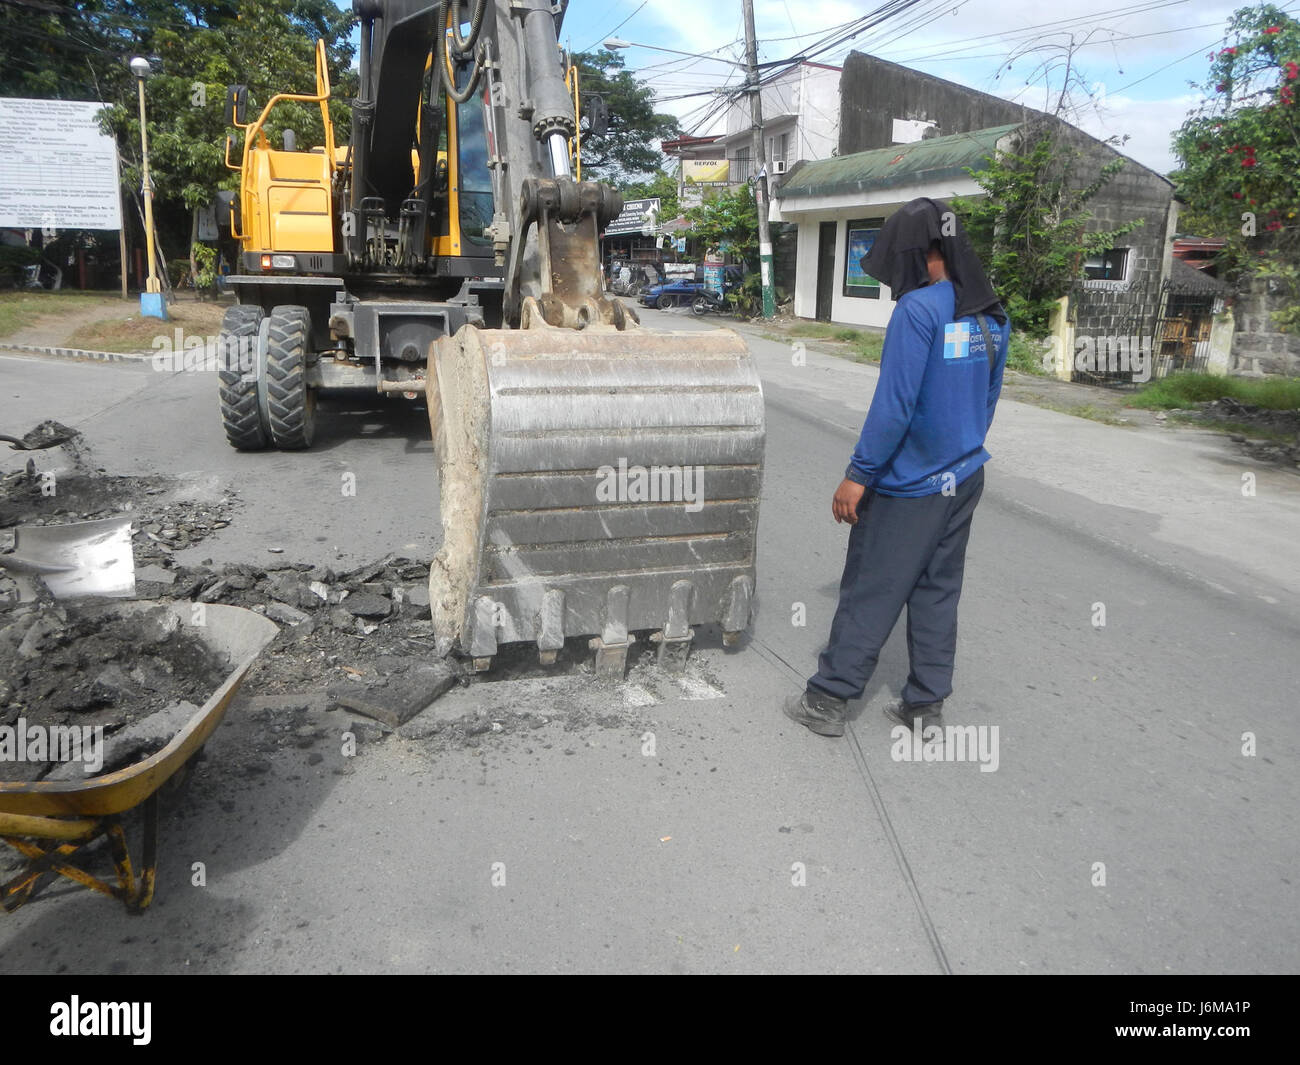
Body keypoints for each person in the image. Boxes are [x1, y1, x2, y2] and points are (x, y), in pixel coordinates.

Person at [783, 197, 1009, 739]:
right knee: (936, 589)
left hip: (910, 485)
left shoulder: (918, 311)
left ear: (913, 252)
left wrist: (859, 475)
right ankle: (925, 705)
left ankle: (829, 699)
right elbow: (989, 397)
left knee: (871, 588)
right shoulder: (989, 312)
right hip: (964, 476)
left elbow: (895, 405)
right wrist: (960, 447)